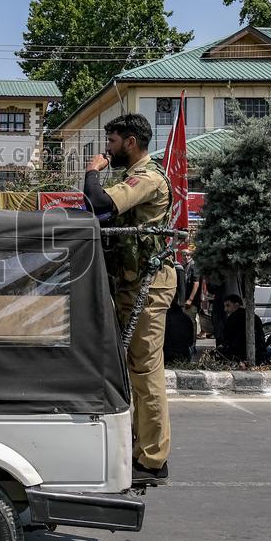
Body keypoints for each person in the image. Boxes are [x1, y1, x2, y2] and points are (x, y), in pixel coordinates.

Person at [83, 113, 176, 486]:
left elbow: (98, 203)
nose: (108, 149)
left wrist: (92, 171)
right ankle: (138, 449)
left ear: (131, 142)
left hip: (149, 286)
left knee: (146, 372)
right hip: (131, 283)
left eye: (113, 141)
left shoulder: (147, 178)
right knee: (132, 370)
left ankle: (153, 460)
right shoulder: (132, 177)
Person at [216, 294, 267, 365]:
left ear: (236, 305)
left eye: (228, 306)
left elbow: (227, 339)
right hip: (259, 355)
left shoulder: (233, 318)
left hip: (239, 355)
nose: (225, 309)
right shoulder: (255, 317)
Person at [163, 265, 195, 365]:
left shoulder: (164, 318)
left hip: (167, 356)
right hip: (183, 355)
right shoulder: (186, 318)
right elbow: (190, 341)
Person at [181, 249, 204, 338]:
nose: (186, 257)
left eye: (188, 255)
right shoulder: (183, 266)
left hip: (192, 301)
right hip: (184, 299)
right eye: (184, 255)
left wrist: (190, 299)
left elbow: (196, 283)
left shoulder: (194, 266)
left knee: (191, 322)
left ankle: (192, 343)